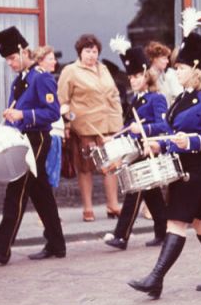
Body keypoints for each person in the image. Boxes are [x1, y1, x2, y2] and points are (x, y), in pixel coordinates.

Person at [128, 8, 201, 298]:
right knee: (200, 221)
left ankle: (156, 278)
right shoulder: (180, 100)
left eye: (181, 68)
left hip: (197, 169)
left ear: (195, 68)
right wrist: (157, 142)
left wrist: (192, 141)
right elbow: (171, 130)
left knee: (176, 222)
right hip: (181, 166)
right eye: (176, 68)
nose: (176, 71)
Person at [0, 19, 66, 264]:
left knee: (16, 189)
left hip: (36, 139)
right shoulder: (20, 81)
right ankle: (57, 244)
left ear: (24, 52)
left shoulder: (41, 77)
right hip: (23, 137)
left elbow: (54, 112)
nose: (11, 64)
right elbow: (16, 114)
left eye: (12, 59)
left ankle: (1, 248)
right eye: (7, 61)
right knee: (41, 193)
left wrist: (23, 115)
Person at [104, 41, 169, 249]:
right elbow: (128, 126)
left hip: (149, 149)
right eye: (130, 77)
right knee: (152, 194)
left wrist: (143, 130)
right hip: (136, 150)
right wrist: (113, 138)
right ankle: (164, 232)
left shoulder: (156, 98)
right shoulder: (136, 100)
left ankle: (121, 236)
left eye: (137, 76)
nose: (132, 81)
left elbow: (163, 125)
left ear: (146, 75)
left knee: (134, 192)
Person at [58, 34, 124, 221]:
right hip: (85, 128)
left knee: (110, 166)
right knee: (85, 168)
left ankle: (113, 205)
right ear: (80, 52)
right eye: (87, 51)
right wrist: (68, 123)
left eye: (94, 51)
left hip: (109, 126)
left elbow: (115, 93)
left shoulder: (103, 69)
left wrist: (117, 113)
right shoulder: (70, 71)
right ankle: (88, 208)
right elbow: (63, 100)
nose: (91, 55)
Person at [34, 46, 64, 189]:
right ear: (40, 61)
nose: (55, 62)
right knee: (49, 172)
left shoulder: (36, 77)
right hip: (51, 131)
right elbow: (51, 109)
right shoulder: (44, 78)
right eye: (50, 59)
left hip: (53, 131)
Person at [145, 41, 182, 106]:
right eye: (164, 58)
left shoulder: (164, 76)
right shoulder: (147, 78)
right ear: (155, 59)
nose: (167, 61)